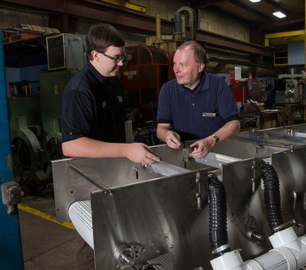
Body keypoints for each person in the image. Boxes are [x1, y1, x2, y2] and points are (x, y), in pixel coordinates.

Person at [61, 23, 160, 270]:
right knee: (93, 242)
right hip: (89, 179)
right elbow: (71, 145)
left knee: (119, 235)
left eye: (122, 57)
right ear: (95, 55)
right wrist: (126, 150)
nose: (121, 64)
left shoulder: (113, 81)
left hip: (114, 172)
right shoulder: (80, 89)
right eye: (116, 58)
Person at [157, 41, 240, 158]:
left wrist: (210, 142)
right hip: (183, 155)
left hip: (215, 153)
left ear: (200, 66)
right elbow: (161, 128)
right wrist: (167, 135)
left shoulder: (218, 85)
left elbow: (234, 124)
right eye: (175, 64)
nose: (176, 70)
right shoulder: (167, 89)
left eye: (183, 65)